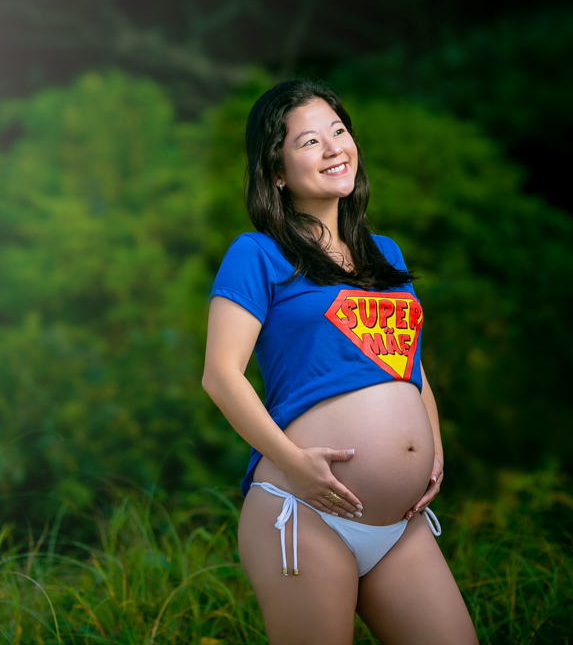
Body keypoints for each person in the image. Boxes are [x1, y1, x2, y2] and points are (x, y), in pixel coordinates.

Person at [201, 81, 478, 644]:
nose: (333, 148)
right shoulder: (257, 253)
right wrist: (295, 463)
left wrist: (434, 446)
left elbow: (408, 369)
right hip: (302, 509)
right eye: (308, 141)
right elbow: (220, 376)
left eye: (339, 131)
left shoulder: (386, 254)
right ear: (276, 171)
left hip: (400, 524)